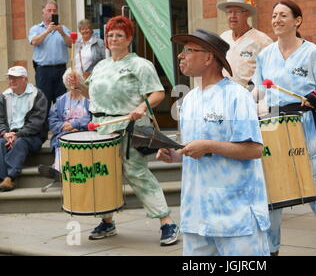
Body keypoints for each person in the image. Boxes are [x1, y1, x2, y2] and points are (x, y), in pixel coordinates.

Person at [252, 0, 316, 256]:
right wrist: (241, 100)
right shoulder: (265, 55)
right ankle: (270, 248)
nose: (276, 20)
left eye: (283, 15)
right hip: (275, 126)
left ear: (297, 20)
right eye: (274, 15)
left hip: (306, 125)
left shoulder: (312, 53)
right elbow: (258, 91)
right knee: (273, 187)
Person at [156, 28, 271, 256]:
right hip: (196, 215)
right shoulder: (188, 100)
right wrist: (176, 154)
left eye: (189, 50)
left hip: (235, 216)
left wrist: (208, 146)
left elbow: (255, 149)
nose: (181, 56)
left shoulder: (236, 96)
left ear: (209, 58)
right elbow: (194, 148)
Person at [69, 16, 179, 245]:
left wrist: (141, 107)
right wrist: (78, 85)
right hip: (101, 129)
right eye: (110, 35)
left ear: (129, 38)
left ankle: (166, 222)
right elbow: (91, 95)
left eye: (119, 35)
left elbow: (157, 93)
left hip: (129, 128)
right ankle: (107, 221)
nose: (114, 39)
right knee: (104, 176)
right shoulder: (101, 66)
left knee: (138, 175)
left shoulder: (140, 65)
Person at [0, 66, 48, 192]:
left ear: (25, 79)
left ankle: (10, 177)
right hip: (10, 134)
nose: (12, 81)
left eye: (15, 78)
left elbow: (36, 123)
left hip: (32, 136)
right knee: (0, 142)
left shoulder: (37, 95)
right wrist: (5, 133)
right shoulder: (4, 96)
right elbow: (0, 119)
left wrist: (18, 135)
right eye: (10, 78)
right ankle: (3, 178)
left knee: (20, 142)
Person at [38, 68, 91, 182]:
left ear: (80, 80)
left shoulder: (87, 101)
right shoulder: (60, 100)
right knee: (62, 140)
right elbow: (52, 120)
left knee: (72, 138)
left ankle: (57, 169)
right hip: (64, 133)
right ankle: (58, 169)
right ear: (65, 81)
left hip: (83, 133)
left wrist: (75, 124)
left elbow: (91, 117)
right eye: (69, 78)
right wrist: (63, 126)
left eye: (75, 78)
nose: (72, 81)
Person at [217, 0, 273, 88]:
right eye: (229, 12)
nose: (232, 16)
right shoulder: (222, 38)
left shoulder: (263, 41)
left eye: (237, 12)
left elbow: (271, 74)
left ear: (246, 14)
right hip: (223, 95)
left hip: (250, 97)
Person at [28, 0, 72, 109]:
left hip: (61, 70)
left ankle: (60, 125)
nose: (52, 13)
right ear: (43, 13)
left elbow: (71, 44)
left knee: (62, 102)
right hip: (43, 71)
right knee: (43, 103)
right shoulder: (36, 29)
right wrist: (48, 31)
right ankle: (44, 126)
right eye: (49, 10)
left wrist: (62, 33)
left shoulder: (64, 29)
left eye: (54, 11)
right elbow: (34, 42)